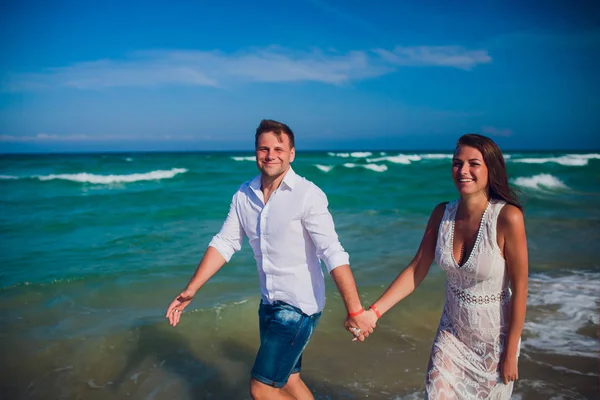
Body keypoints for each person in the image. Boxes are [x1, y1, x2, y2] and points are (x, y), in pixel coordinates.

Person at [166, 119, 376, 400]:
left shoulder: (307, 195)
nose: (270, 155)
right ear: (255, 152)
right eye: (264, 148)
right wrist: (192, 288)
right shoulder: (244, 194)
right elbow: (225, 242)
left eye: (279, 148)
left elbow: (332, 252)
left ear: (292, 154)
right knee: (288, 380)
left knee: (261, 387)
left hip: (298, 308)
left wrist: (355, 310)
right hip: (269, 305)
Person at [351, 134, 528, 399]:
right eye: (457, 163)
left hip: (494, 345)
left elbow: (521, 287)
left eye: (473, 163)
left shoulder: (507, 218)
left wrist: (511, 352)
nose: (463, 171)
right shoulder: (442, 214)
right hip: (451, 337)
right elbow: (417, 268)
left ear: (491, 169)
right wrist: (374, 313)